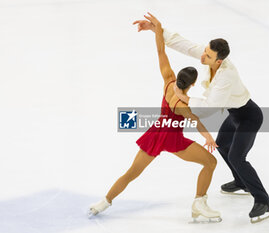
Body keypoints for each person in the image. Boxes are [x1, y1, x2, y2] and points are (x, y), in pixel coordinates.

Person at [133, 15, 269, 223]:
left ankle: (263, 201)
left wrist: (185, 98)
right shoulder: (210, 57)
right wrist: (158, 30)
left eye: (207, 56)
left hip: (248, 117)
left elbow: (209, 108)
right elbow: (187, 46)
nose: (202, 57)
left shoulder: (227, 76)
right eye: (205, 52)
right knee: (222, 146)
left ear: (219, 60)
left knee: (237, 156)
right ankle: (241, 181)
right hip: (234, 114)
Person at [88, 13, 221, 222]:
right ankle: (199, 202)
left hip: (156, 134)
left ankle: (104, 202)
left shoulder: (169, 80)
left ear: (178, 78)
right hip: (174, 140)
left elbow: (161, 50)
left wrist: (156, 28)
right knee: (211, 163)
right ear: (192, 85)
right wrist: (209, 138)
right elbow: (196, 120)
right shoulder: (183, 104)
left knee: (131, 173)